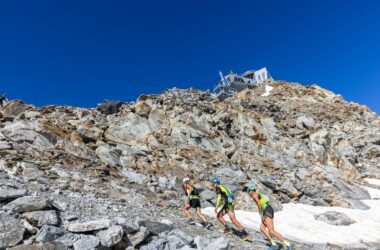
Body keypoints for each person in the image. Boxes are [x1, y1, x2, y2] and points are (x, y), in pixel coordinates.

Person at [243, 184, 292, 250]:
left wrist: (261, 213)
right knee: (262, 228)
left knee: (271, 231)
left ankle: (288, 244)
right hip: (267, 210)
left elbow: (259, 203)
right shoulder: (257, 194)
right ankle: (274, 244)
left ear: (251, 190)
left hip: (266, 211)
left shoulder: (254, 195)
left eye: (248, 191)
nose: (248, 192)